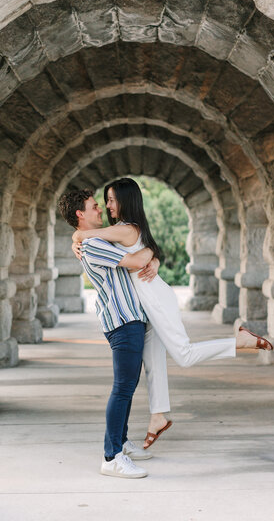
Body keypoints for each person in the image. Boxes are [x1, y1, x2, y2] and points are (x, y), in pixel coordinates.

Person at [71, 178, 274, 449]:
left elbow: (92, 236)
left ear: (125, 200)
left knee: (184, 355)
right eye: (104, 201)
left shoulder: (125, 228)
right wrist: (152, 255)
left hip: (155, 299)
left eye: (110, 200)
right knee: (153, 363)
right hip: (145, 306)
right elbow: (128, 247)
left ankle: (240, 341)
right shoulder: (123, 229)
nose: (107, 206)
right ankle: (158, 417)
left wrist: (77, 235)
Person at [58, 189, 158, 479]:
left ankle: (122, 443)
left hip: (128, 319)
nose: (100, 210)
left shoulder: (93, 241)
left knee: (127, 387)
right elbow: (138, 261)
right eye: (94, 207)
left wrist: (150, 253)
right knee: (123, 388)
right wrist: (152, 249)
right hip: (122, 321)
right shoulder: (92, 246)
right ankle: (111, 456)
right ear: (80, 214)